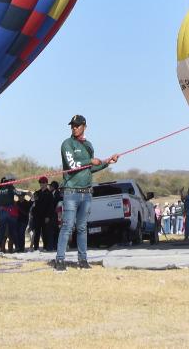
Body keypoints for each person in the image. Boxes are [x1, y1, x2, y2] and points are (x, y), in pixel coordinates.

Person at [54, 113, 119, 271]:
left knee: (82, 227)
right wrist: (90, 160)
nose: (74, 128)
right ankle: (60, 260)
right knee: (67, 226)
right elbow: (72, 165)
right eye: (72, 126)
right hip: (71, 191)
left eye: (77, 125)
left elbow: (91, 169)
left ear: (84, 126)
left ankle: (83, 260)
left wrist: (106, 162)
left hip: (86, 193)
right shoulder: (67, 144)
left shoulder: (89, 145)